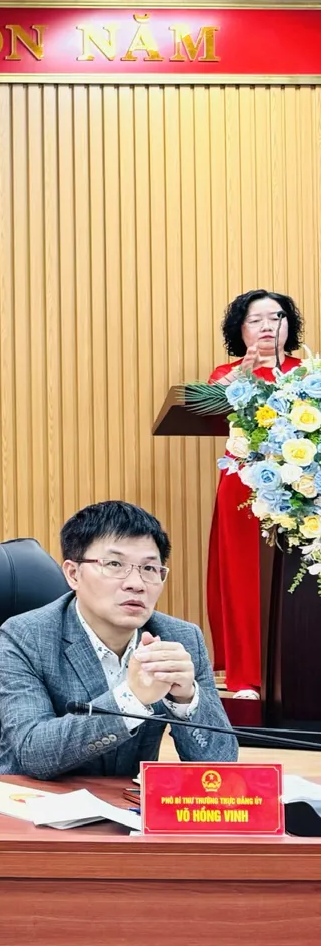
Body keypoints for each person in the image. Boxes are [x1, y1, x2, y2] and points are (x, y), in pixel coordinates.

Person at [0, 501, 237, 779]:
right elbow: (34, 753)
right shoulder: (26, 636)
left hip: (125, 801)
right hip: (27, 799)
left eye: (149, 568)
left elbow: (221, 763)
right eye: (114, 564)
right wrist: (131, 699)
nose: (136, 584)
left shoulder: (180, 639)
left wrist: (186, 699)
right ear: (73, 574)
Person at [205, 289, 304, 695]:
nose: (267, 326)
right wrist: (241, 377)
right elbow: (208, 404)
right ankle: (246, 676)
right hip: (244, 485)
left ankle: (299, 675)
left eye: (276, 317)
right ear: (240, 330)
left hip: (303, 484)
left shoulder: (308, 371)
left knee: (299, 578)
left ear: (288, 325)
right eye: (256, 319)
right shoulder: (226, 373)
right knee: (243, 575)